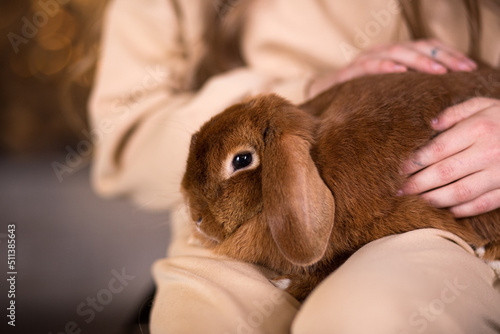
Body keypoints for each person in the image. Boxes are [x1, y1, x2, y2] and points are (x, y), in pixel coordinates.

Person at [88, 0, 500, 333]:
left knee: (365, 316)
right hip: (251, 215)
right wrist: (304, 98)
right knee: (201, 316)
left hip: (439, 207)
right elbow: (125, 138)